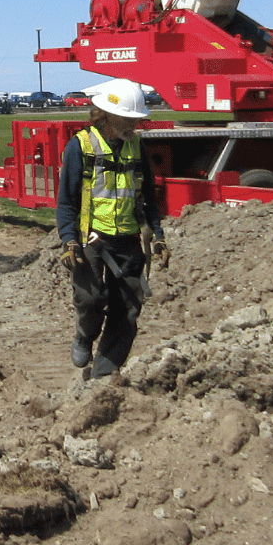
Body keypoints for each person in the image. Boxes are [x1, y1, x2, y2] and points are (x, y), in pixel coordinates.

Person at [55, 79, 168, 378]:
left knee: (128, 310)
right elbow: (66, 201)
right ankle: (84, 335)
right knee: (90, 300)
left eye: (136, 119)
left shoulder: (136, 147)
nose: (133, 124)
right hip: (90, 240)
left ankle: (103, 375)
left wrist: (158, 236)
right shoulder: (79, 147)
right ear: (104, 115)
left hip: (128, 241)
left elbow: (147, 198)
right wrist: (68, 240)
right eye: (127, 118)